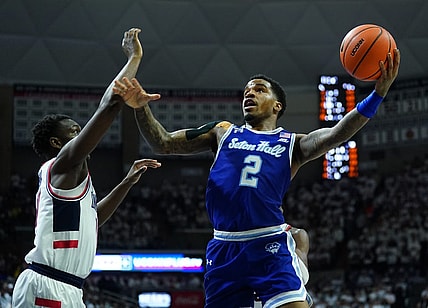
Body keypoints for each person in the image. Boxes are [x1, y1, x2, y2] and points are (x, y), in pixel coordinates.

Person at [114, 47, 400, 307]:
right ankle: (299, 254)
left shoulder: (292, 144)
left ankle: (298, 260)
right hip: (223, 246)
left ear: (277, 106)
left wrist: (377, 95)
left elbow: (336, 133)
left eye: (259, 90)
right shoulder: (223, 132)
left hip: (267, 243)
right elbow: (163, 143)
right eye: (246, 92)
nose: (249, 94)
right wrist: (141, 108)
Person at [11, 28, 161, 307]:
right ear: (57, 142)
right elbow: (107, 106)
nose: (81, 136)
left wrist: (126, 182)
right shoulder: (62, 164)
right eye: (74, 132)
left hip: (68, 287)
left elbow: (92, 220)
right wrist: (134, 58)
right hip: (48, 284)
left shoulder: (69, 178)